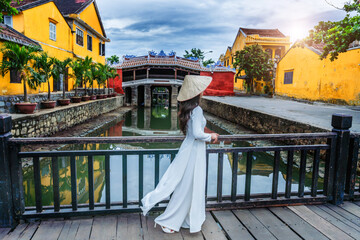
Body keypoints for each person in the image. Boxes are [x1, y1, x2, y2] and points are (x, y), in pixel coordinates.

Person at [140, 75, 219, 234]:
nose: (203, 92)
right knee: (187, 186)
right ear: (197, 93)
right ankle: (170, 219)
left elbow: (192, 133)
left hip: (189, 149)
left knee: (186, 185)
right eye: (201, 90)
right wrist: (211, 136)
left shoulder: (188, 110)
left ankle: (185, 218)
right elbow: (197, 133)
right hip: (194, 151)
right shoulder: (197, 109)